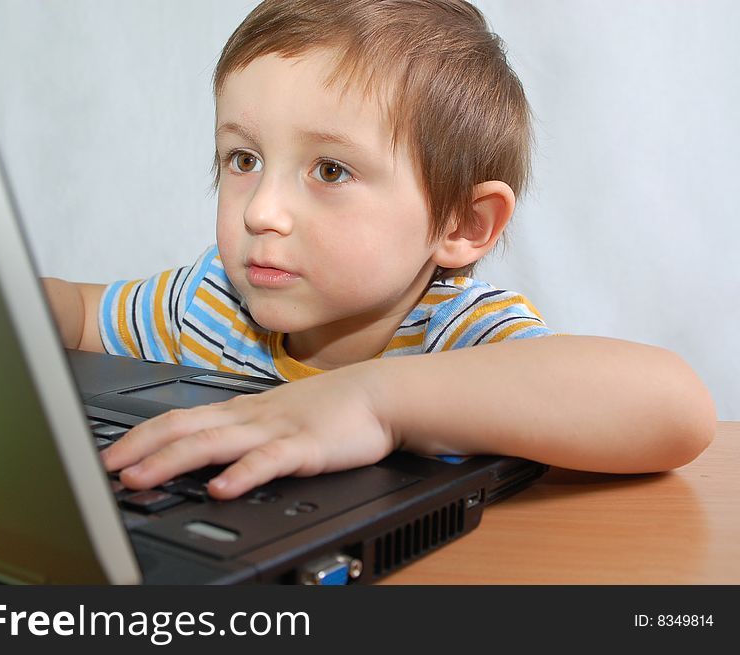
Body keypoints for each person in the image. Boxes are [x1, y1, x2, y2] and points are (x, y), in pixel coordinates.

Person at [43, 0, 715, 500]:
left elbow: (676, 408)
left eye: (330, 171)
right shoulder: (210, 302)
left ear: (463, 223)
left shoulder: (459, 337)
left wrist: (375, 401)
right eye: (243, 158)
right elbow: (73, 310)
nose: (261, 210)